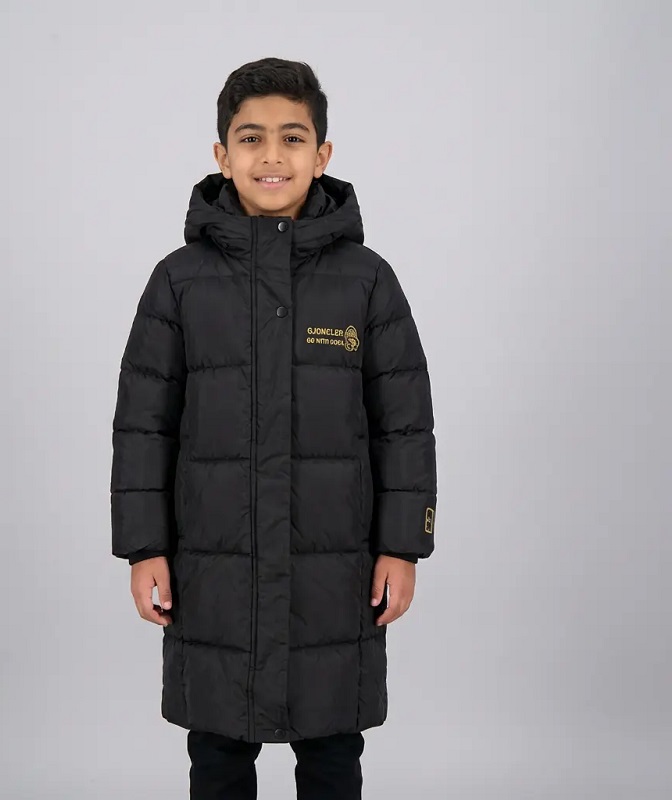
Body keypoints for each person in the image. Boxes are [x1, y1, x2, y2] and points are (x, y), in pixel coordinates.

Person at [109, 56, 438, 800]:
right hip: (212, 567)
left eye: (293, 138)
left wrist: (401, 545)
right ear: (222, 155)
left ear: (322, 155)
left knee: (332, 750)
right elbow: (143, 427)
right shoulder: (178, 281)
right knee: (218, 749)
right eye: (250, 138)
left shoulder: (367, 280)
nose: (272, 156)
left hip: (335, 570)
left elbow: (405, 425)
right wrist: (144, 547)